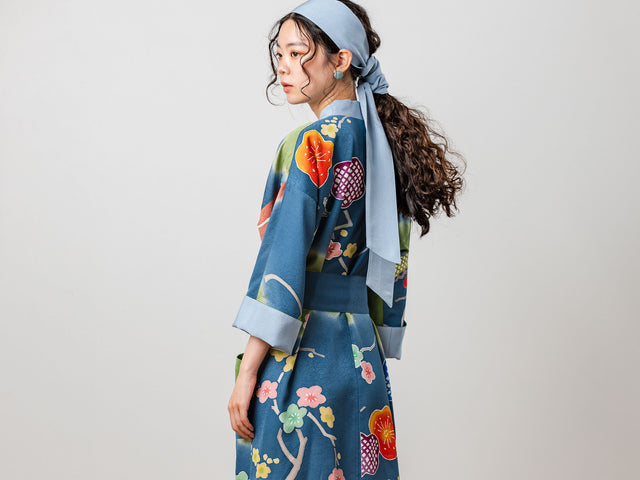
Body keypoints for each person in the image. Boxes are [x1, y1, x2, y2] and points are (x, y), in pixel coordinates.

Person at [228, 1, 465, 478]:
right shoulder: (386, 147)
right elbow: (393, 258)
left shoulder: (310, 144)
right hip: (362, 355)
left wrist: (248, 370)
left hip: (302, 355)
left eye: (298, 53)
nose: (284, 67)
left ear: (341, 60)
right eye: (280, 54)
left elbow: (281, 263)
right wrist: (382, 328)